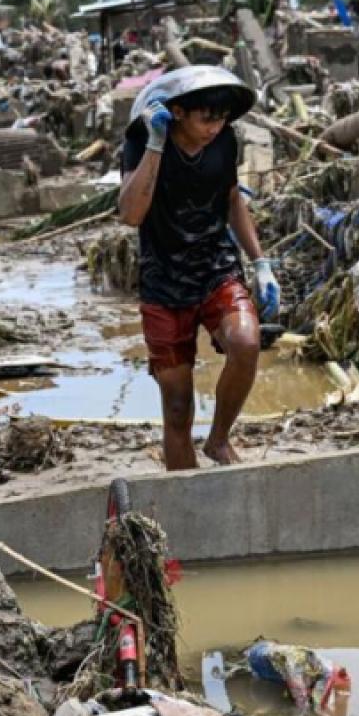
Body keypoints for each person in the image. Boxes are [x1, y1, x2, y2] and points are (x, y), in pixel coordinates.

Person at [119, 80, 280, 470]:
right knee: (177, 406)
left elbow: (231, 199)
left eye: (221, 119)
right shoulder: (143, 141)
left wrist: (260, 263)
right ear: (178, 113)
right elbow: (130, 214)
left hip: (215, 267)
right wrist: (156, 146)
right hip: (164, 280)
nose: (214, 128)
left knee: (246, 342)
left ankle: (219, 440)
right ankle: (186, 495)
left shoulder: (224, 142)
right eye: (206, 120)